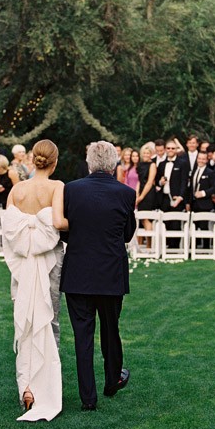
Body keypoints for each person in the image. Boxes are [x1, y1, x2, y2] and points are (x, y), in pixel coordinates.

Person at [60, 141, 135, 412]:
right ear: (113, 164)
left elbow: (64, 231)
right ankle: (112, 379)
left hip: (79, 272)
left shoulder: (72, 189)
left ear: (90, 163)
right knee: (110, 328)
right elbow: (127, 234)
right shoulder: (125, 193)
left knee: (83, 336)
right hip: (110, 273)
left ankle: (87, 398)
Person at [1, 139, 65, 422]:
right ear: (54, 162)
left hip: (23, 264)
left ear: (32, 160)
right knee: (48, 319)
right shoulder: (57, 187)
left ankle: (26, 387)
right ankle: (45, 387)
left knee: (25, 319)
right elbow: (59, 222)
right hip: (47, 261)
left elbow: (8, 227)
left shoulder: (17, 189)